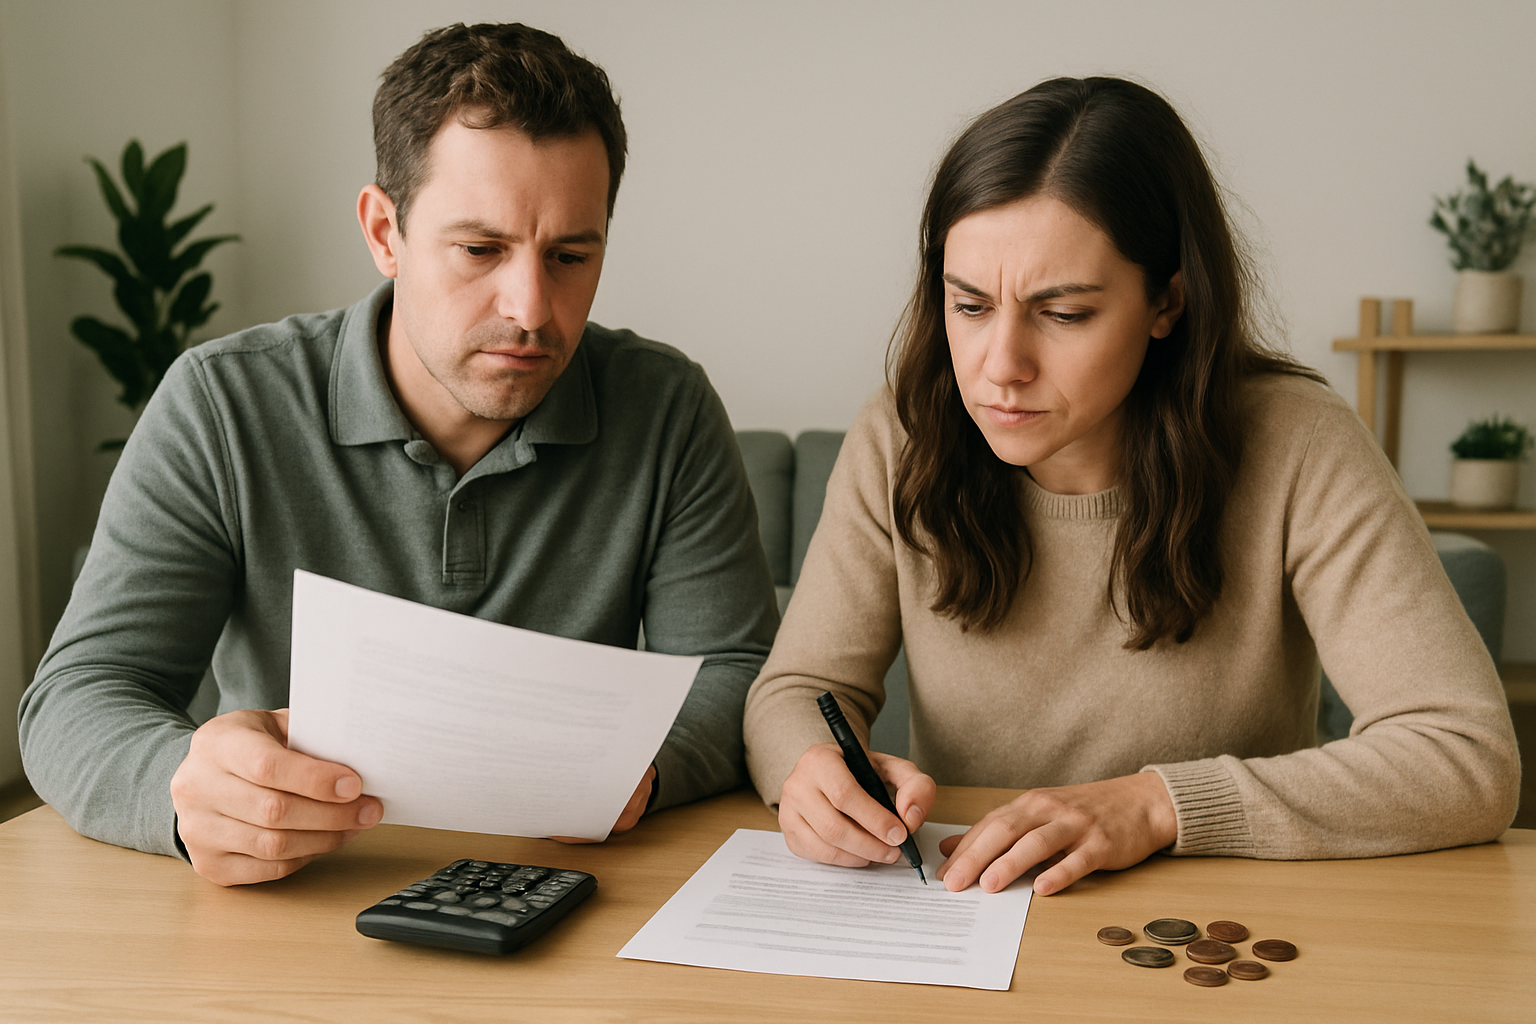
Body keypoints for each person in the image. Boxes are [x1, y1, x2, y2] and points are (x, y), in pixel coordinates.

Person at [20, 23, 778, 886]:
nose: (532, 308)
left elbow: (734, 673)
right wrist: (182, 793)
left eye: (571, 255)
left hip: (563, 897)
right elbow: (80, 695)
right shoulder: (222, 403)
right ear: (385, 232)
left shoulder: (666, 406)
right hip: (295, 893)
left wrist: (642, 770)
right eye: (480, 250)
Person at [742, 77, 1520, 898]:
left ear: (1167, 301)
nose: (999, 367)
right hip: (970, 912)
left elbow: (1465, 755)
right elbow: (795, 691)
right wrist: (812, 770)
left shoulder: (1299, 443)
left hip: (1217, 926)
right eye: (969, 306)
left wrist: (1156, 806)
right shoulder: (900, 436)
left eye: (1064, 314)